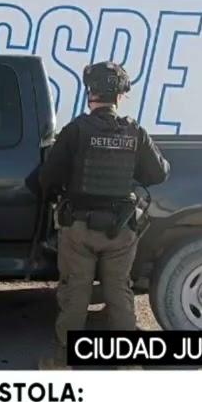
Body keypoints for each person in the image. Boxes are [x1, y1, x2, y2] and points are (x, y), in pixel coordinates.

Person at [27, 61, 171, 370]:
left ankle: (62, 359)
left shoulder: (76, 130)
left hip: (79, 227)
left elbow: (47, 177)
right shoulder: (134, 131)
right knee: (119, 290)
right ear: (121, 96)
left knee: (75, 291)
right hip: (120, 229)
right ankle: (127, 363)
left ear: (89, 93)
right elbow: (159, 173)